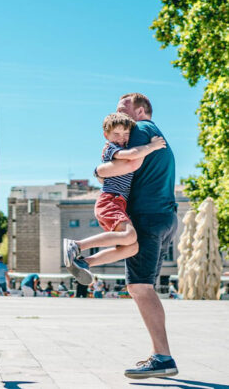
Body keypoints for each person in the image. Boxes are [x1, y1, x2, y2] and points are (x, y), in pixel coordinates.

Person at [80, 93, 178, 379]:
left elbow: (128, 164)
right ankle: (86, 262)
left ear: (140, 110)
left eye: (123, 110)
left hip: (147, 216)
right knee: (143, 285)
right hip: (164, 217)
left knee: (140, 287)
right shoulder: (156, 134)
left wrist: (97, 170)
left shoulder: (141, 131)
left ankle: (162, 357)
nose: (119, 116)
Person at [64, 112, 167, 286]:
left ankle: (85, 262)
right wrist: (152, 146)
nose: (121, 138)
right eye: (116, 134)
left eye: (126, 134)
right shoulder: (111, 149)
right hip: (109, 201)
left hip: (118, 203)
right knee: (128, 235)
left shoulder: (121, 148)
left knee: (133, 247)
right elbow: (133, 154)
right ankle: (76, 244)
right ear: (107, 135)